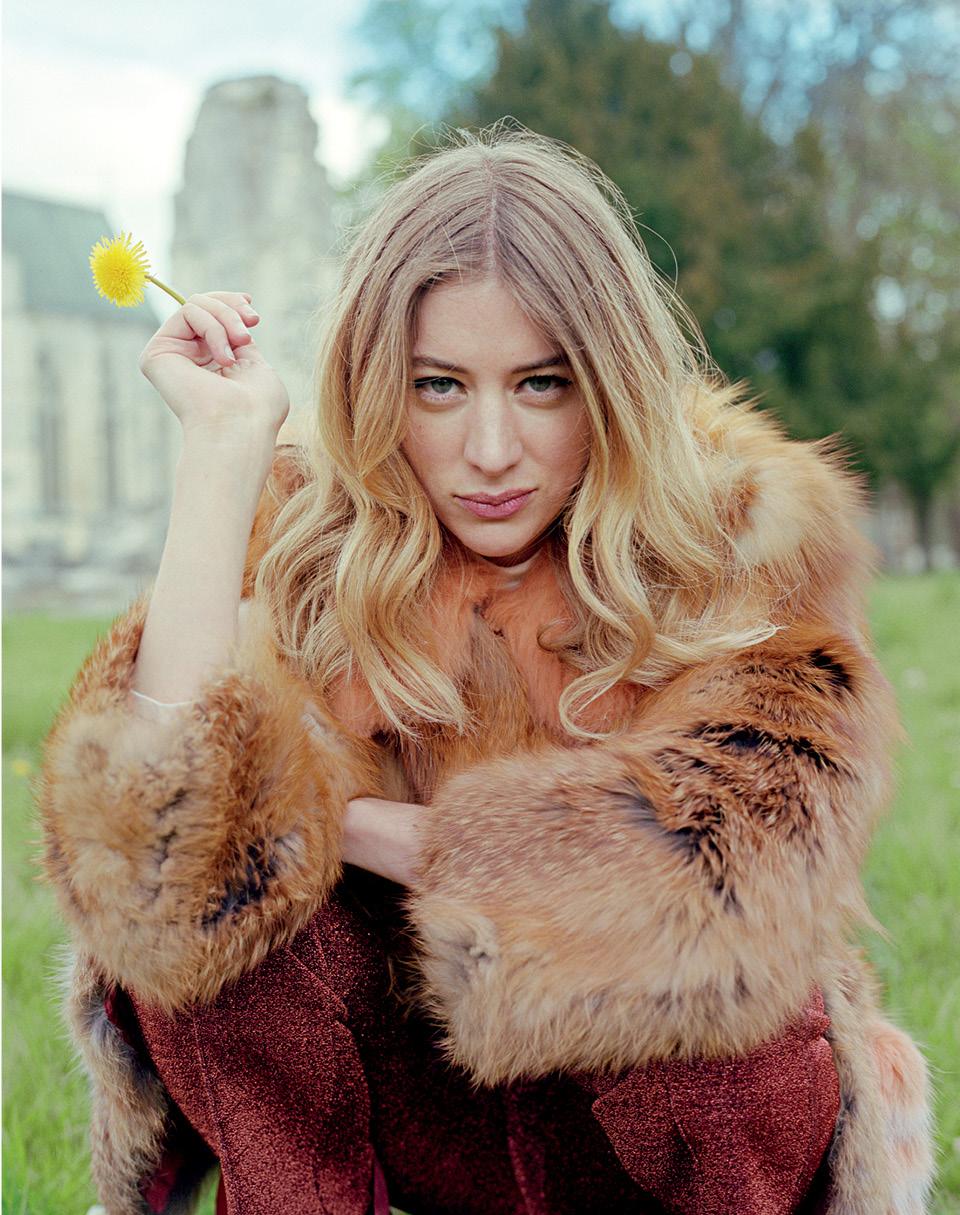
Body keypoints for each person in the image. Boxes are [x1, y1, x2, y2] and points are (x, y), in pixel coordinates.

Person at [39, 127, 932, 1215]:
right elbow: (154, 867)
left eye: (542, 383)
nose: (493, 448)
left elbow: (709, 887)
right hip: (429, 1101)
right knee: (233, 946)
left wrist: (329, 820)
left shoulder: (747, 535)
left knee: (729, 1020)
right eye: (440, 386)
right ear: (379, 387)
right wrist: (222, 454)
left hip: (654, 1112)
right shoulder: (319, 534)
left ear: (608, 381)